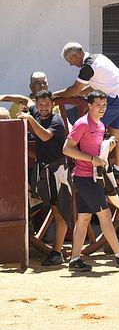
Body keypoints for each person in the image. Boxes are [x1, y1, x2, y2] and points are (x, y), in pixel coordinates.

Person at [62, 90, 119, 271]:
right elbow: (67, 149)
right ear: (89, 105)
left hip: (89, 177)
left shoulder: (99, 126)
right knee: (105, 215)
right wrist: (91, 160)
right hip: (86, 178)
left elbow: (96, 151)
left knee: (83, 219)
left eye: (104, 105)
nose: (102, 109)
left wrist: (108, 144)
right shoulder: (82, 124)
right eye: (98, 105)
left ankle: (75, 260)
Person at [55, 43, 119, 180]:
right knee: (115, 131)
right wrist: (78, 93)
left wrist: (56, 95)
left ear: (76, 56)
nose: (70, 65)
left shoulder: (87, 67)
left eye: (70, 61)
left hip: (118, 97)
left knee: (92, 127)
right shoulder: (98, 58)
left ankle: (94, 164)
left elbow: (75, 89)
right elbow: (91, 86)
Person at [16, 90, 72, 266]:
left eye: (47, 104)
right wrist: (3, 97)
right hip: (43, 171)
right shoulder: (36, 112)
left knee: (59, 211)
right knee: (38, 203)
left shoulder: (56, 121)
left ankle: (57, 253)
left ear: (53, 104)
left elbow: (45, 136)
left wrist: (29, 119)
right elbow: (24, 99)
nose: (44, 108)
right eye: (40, 105)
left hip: (57, 171)